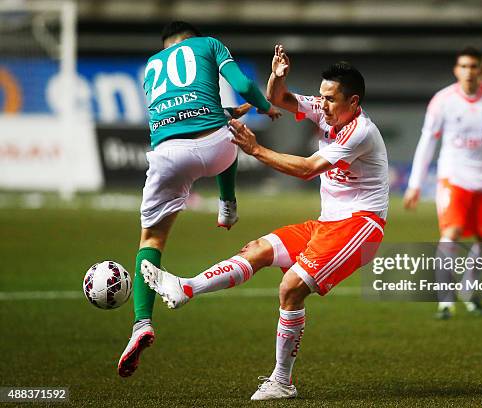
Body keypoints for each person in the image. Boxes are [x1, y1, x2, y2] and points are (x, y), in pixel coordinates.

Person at [139, 45, 389, 400]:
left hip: (360, 226)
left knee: (290, 287)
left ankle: (282, 382)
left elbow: (306, 170)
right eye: (321, 97)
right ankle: (186, 288)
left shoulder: (360, 132)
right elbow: (278, 98)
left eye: (330, 99)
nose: (322, 104)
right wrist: (277, 76)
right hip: (328, 223)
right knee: (258, 249)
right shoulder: (327, 110)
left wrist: (255, 150)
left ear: (353, 101)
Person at [117, 21, 280, 378]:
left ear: (167, 45)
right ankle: (228, 203)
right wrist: (265, 106)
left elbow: (173, 118)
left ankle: (141, 324)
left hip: (169, 154)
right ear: (192, 39)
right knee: (231, 135)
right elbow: (243, 85)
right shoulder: (209, 44)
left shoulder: (152, 67)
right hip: (218, 147)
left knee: (152, 240)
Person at [402, 46, 482, 319]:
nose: (469, 71)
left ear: (480, 70)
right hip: (453, 178)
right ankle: (445, 300)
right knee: (452, 233)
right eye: (464, 66)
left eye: (473, 67)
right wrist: (415, 184)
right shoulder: (443, 101)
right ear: (456, 70)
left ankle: (469, 288)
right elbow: (427, 142)